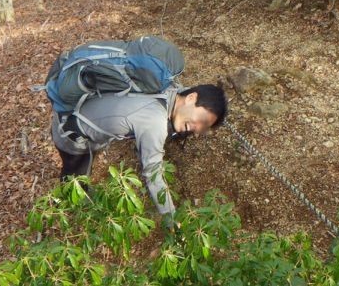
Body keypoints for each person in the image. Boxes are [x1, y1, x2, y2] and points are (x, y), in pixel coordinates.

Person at [50, 84, 227, 216]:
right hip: (70, 132)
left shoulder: (169, 88)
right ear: (191, 98)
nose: (196, 130)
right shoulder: (154, 122)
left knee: (82, 171)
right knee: (74, 178)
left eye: (203, 128)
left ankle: (78, 197)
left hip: (81, 113)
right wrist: (171, 218)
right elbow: (153, 175)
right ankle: (67, 210)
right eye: (201, 120)